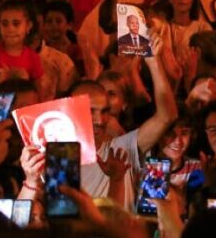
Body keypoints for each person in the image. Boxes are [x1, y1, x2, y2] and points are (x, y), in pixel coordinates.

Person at [69, 33, 178, 211]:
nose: (99, 120)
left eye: (104, 111)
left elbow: (167, 117)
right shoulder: (56, 157)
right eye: (90, 111)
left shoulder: (121, 149)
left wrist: (153, 62)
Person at [0, 0, 44, 109]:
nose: (10, 29)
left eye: (16, 24)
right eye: (5, 24)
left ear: (28, 26)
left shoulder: (33, 57)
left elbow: (40, 94)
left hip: (23, 113)